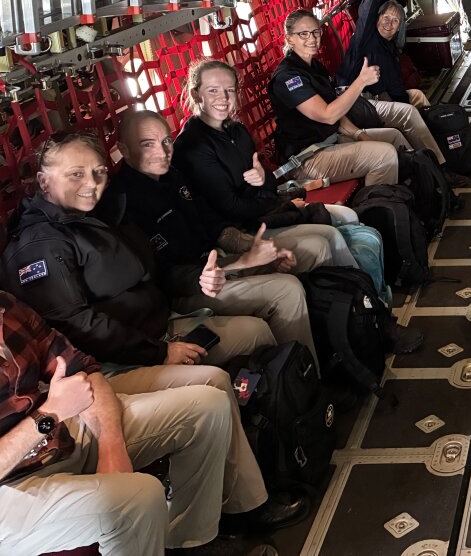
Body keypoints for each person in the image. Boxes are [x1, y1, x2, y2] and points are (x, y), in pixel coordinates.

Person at [1, 132, 307, 537]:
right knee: (212, 384)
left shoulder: (105, 213)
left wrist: (212, 277)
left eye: (97, 172)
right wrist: (159, 352)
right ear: (44, 182)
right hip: (122, 358)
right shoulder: (40, 245)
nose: (91, 183)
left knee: (256, 334)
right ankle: (236, 508)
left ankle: (276, 445)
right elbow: (78, 327)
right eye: (75, 174)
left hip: (156, 330)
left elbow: (156, 274)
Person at [0, 292, 276, 556]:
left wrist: (111, 443)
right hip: (11, 482)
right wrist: (48, 415)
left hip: (55, 437)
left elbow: (83, 369)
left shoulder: (7, 305)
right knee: (141, 497)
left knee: (208, 406)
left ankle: (190, 543)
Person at [174, 62, 424, 352]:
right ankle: (371, 319)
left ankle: (371, 307)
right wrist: (276, 202)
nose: (223, 98)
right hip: (238, 231)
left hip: (261, 212)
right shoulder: (193, 145)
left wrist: (263, 184)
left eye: (229, 90)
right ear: (197, 94)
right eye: (213, 90)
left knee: (349, 216)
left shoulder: (236, 130)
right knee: (326, 240)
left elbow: (265, 179)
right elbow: (231, 206)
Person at [103, 111, 319, 358]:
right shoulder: (124, 203)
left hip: (213, 261)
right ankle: (300, 376)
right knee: (286, 291)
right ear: (124, 149)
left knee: (294, 259)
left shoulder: (173, 175)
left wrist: (247, 247)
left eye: (165, 141)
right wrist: (241, 264)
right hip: (187, 289)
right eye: (147, 144)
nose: (162, 152)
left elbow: (210, 221)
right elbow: (165, 277)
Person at [269, 8, 457, 187]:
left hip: (331, 141)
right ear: (289, 39)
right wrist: (361, 81)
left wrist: (359, 134)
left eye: (316, 32)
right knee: (384, 155)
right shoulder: (288, 77)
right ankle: (380, 205)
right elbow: (328, 115)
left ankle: (429, 183)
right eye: (303, 34)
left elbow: (338, 113)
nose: (312, 38)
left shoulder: (314, 67)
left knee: (393, 136)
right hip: (308, 159)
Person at [340, 0, 430, 106]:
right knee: (410, 110)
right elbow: (366, 13)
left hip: (384, 96)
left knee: (417, 96)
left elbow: (395, 85)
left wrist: (404, 100)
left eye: (395, 20)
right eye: (386, 17)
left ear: (399, 27)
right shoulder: (366, 38)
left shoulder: (391, 47)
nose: (389, 23)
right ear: (377, 18)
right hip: (360, 101)